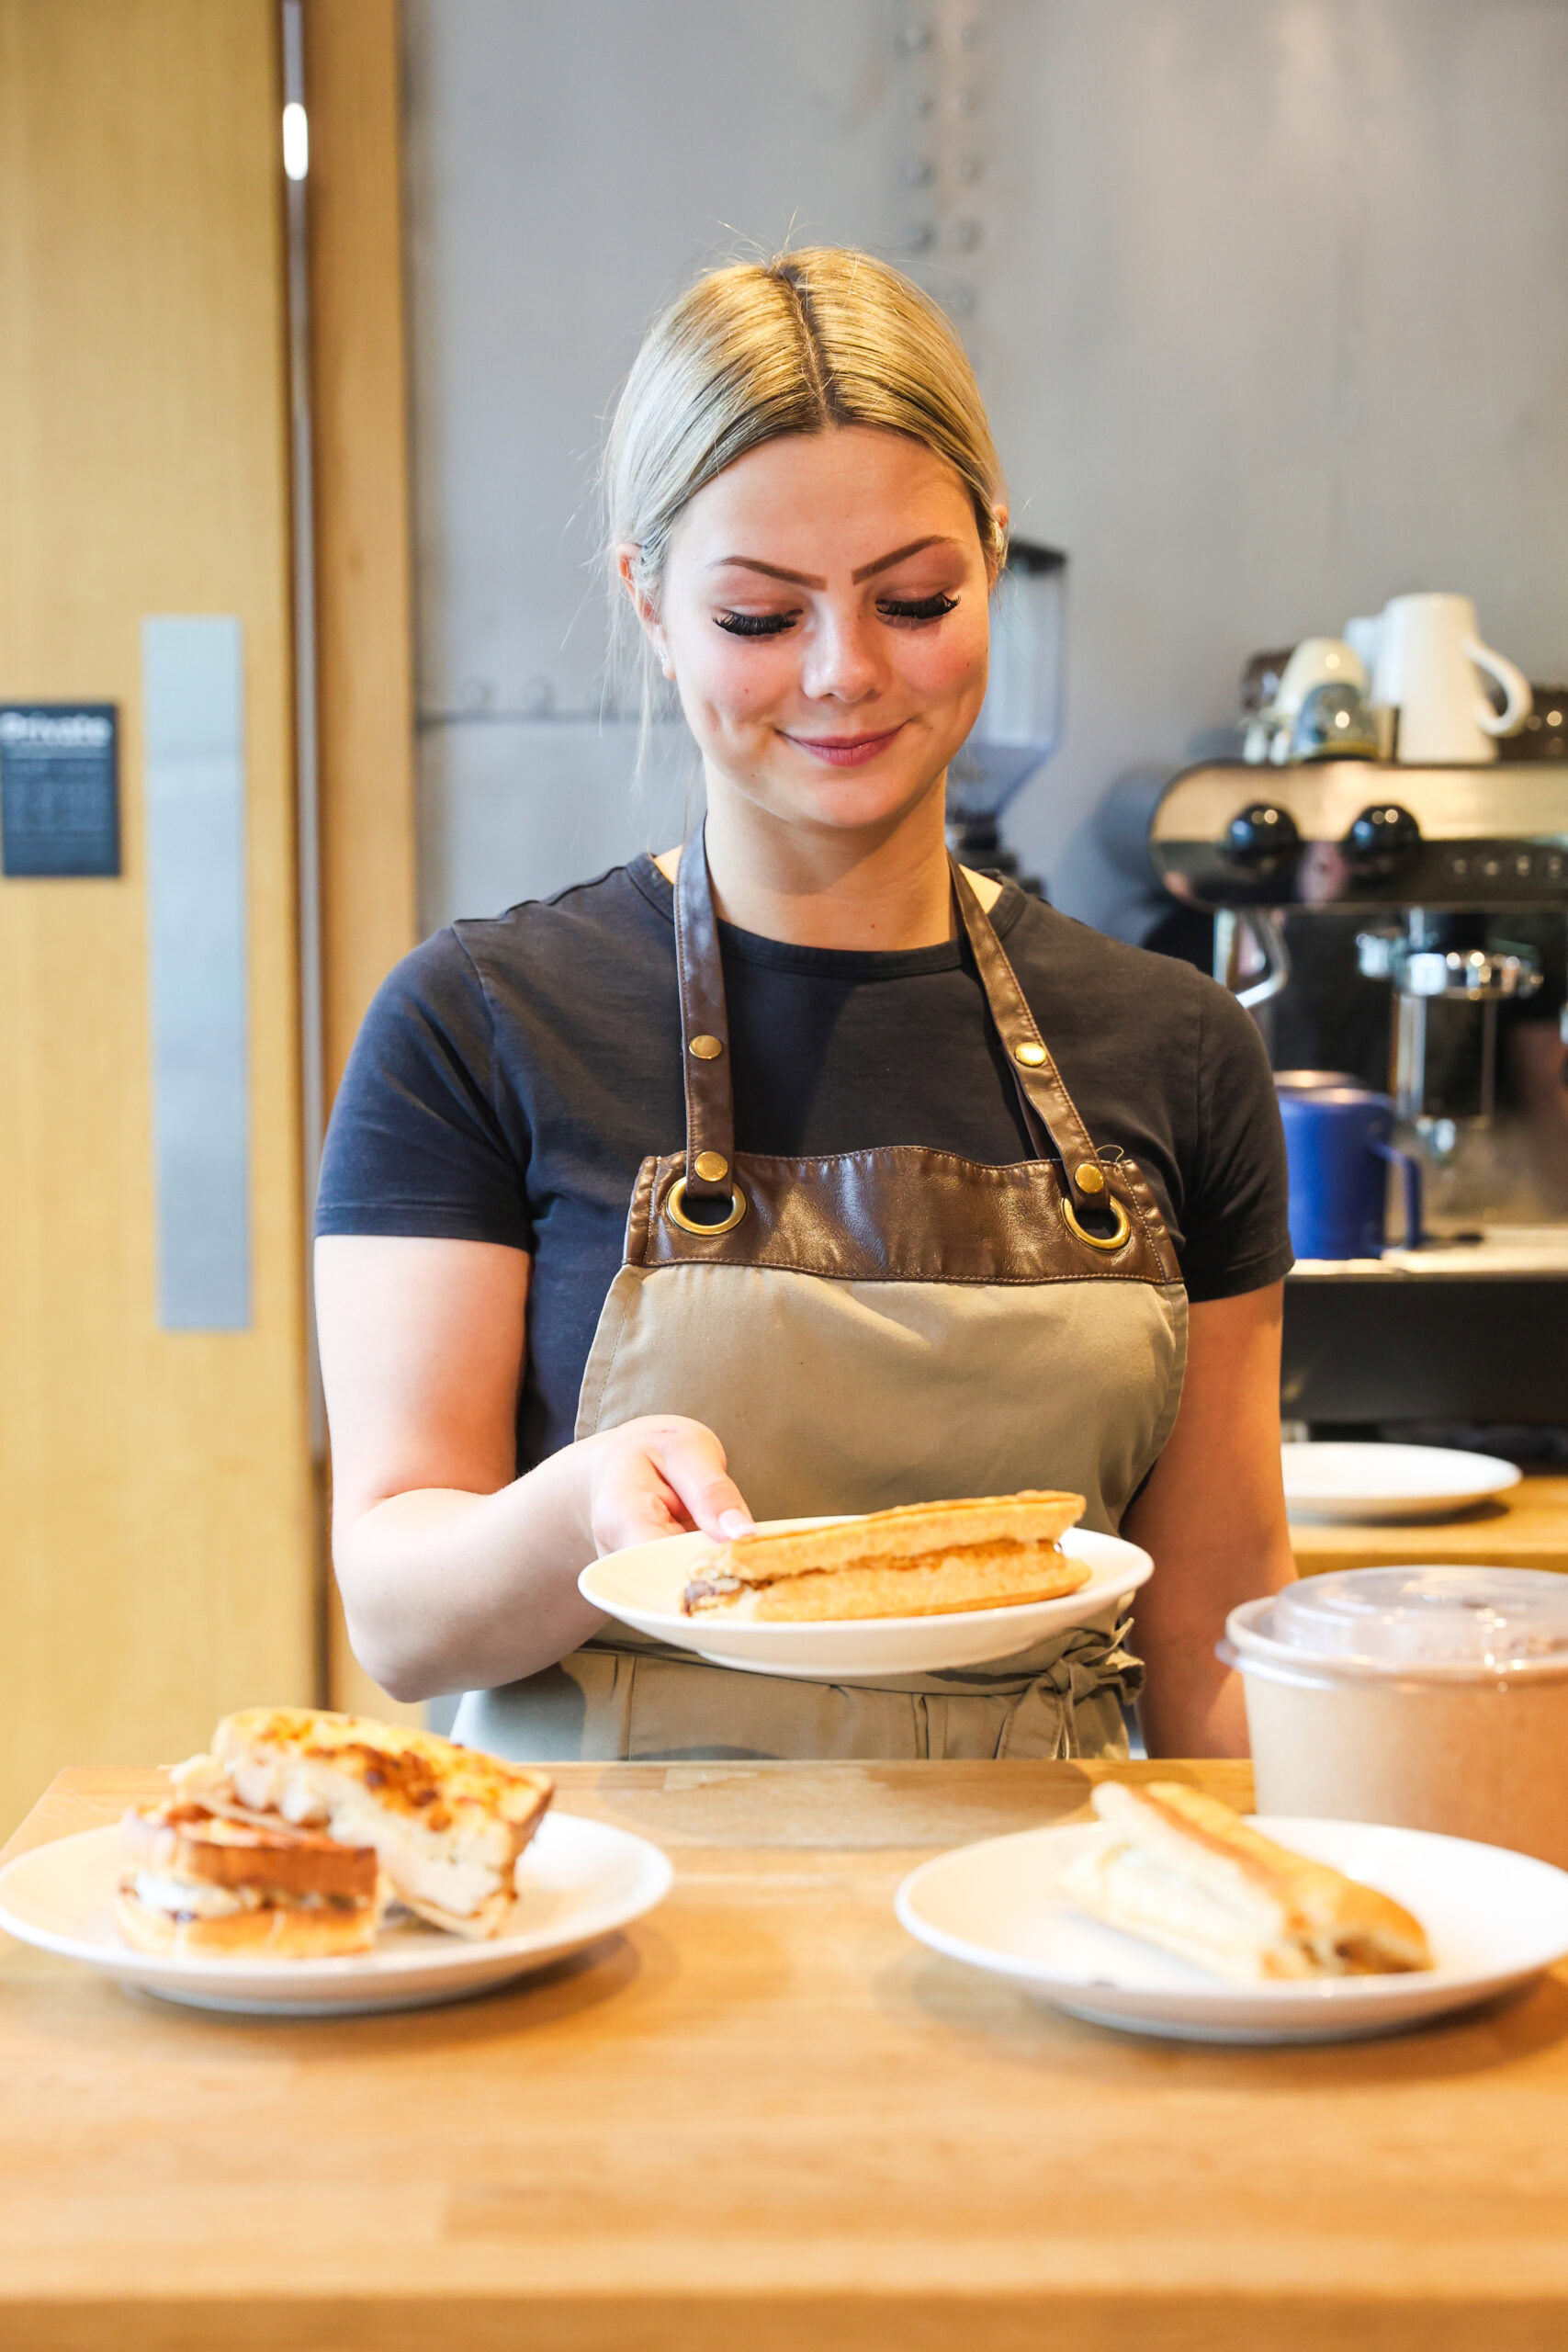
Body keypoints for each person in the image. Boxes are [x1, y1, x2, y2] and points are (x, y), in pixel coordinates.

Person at [314, 247, 1296, 1764]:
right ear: (649, 599)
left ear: (991, 555)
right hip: (602, 1922)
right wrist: (577, 1511)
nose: (845, 674)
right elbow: (398, 1615)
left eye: (913, 598)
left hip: (1052, 1913)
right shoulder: (483, 1021)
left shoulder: (1178, 1049)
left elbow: (1215, 1637)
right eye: (762, 619)